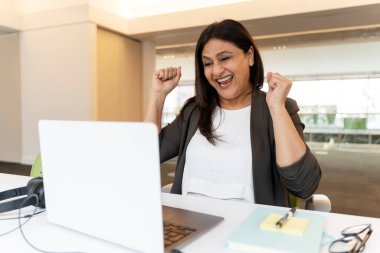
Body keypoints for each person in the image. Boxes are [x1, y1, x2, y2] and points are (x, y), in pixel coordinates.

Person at [145, 19, 321, 207]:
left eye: (225, 58)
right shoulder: (194, 111)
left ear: (250, 56)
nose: (217, 71)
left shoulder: (277, 107)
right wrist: (158, 95)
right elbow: (147, 154)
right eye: (207, 63)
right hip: (190, 226)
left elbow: (303, 185)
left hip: (250, 230)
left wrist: (277, 108)